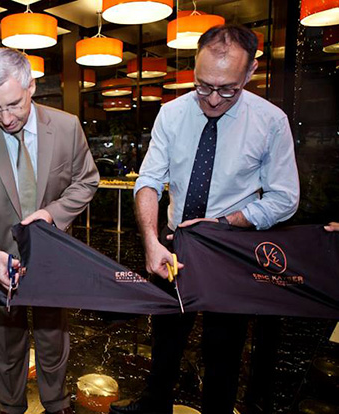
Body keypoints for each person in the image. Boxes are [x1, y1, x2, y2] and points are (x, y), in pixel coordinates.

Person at [110, 25, 300, 414]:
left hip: (231, 248)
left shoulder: (271, 122)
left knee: (224, 348)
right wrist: (151, 240)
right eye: (202, 86)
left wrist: (227, 222)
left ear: (250, 73)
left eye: (227, 89)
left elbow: (285, 197)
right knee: (166, 335)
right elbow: (148, 180)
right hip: (176, 241)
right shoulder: (172, 114)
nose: (212, 99)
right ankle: (153, 404)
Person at [0, 48, 99, 414]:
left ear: (31, 86)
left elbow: (86, 181)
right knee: (5, 343)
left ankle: (55, 402)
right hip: (0, 257)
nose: (5, 118)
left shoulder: (66, 127)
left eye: (14, 105)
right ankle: (10, 406)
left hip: (53, 256)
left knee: (53, 338)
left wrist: (51, 215)